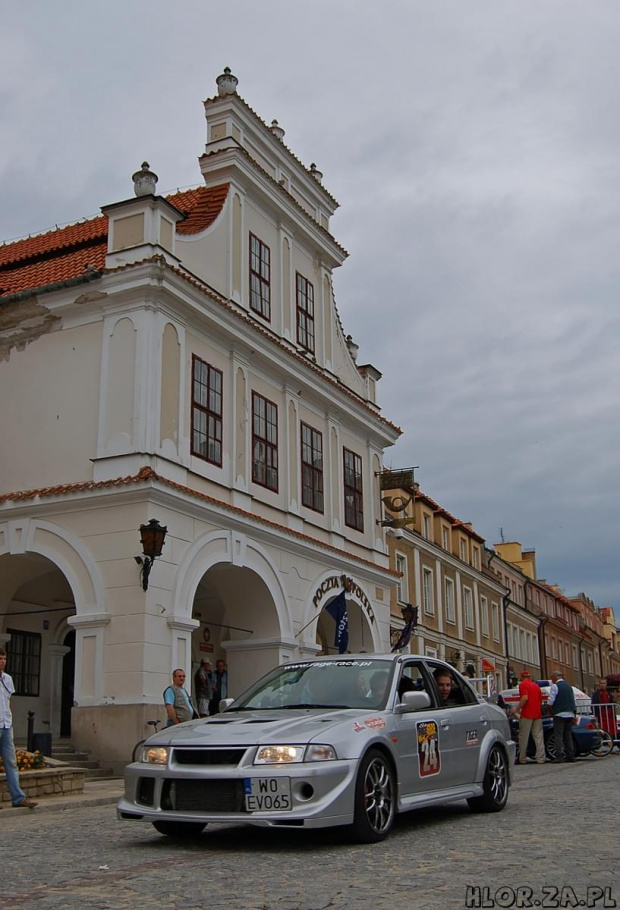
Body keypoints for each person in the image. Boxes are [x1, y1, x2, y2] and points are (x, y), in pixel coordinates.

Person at [0, 646, 38, 809]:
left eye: (4, 659)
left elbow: (8, 699)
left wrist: (9, 716)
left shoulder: (7, 679)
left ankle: (18, 797)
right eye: (0, 659)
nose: (2, 662)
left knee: (11, 762)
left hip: (6, 724)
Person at [511, 669, 545, 765]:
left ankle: (522, 758)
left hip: (527, 713)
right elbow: (540, 700)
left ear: (521, 677)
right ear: (529, 677)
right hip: (537, 713)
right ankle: (541, 758)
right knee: (538, 737)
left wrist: (517, 709)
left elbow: (525, 698)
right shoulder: (536, 686)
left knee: (523, 737)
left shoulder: (523, 685)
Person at [547, 670, 576, 762]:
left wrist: (550, 711)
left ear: (555, 677)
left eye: (552, 678)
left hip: (559, 713)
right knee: (568, 735)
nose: (551, 680)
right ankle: (570, 755)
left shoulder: (555, 686)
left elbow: (550, 701)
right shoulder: (569, 686)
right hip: (570, 713)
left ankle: (558, 756)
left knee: (558, 735)